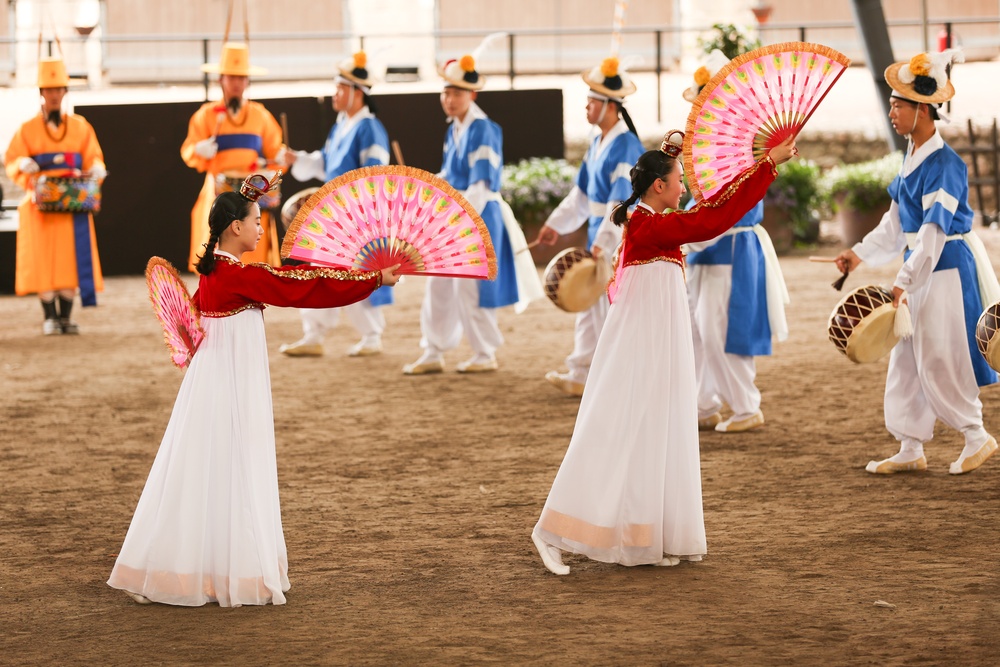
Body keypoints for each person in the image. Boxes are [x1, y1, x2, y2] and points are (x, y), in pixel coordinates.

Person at [107, 174, 400, 606]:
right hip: (229, 381)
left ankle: (194, 568)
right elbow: (298, 286)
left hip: (218, 378)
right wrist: (370, 279)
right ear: (234, 228)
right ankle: (225, 571)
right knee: (232, 461)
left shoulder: (220, 271)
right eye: (256, 219)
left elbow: (293, 279)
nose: (263, 227)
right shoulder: (235, 274)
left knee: (206, 466)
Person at [531, 131, 796, 575]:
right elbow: (708, 221)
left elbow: (710, 213)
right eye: (678, 181)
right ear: (659, 186)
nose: (684, 190)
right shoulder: (644, 224)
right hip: (641, 342)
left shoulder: (651, 222)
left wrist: (756, 166)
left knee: (658, 428)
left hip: (660, 340)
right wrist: (767, 165)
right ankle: (551, 531)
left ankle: (645, 539)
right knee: (615, 426)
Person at [834, 50, 999, 476]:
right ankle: (910, 444)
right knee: (906, 356)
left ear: (923, 110)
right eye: (891, 103)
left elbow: (932, 233)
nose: (891, 111)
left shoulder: (945, 165)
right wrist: (858, 254)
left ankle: (976, 434)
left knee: (940, 355)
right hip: (922, 267)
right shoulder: (913, 157)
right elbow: (896, 224)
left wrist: (903, 281)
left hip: (943, 268)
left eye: (898, 105)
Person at [681, 50, 790, 433]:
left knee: (720, 328)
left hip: (729, 247)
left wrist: (683, 237)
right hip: (704, 246)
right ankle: (703, 403)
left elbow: (727, 208)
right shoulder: (712, 146)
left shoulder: (739, 146)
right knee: (698, 329)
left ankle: (745, 406)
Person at [402, 46, 520, 375]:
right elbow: (450, 176)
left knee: (470, 287)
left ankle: (484, 352)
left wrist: (455, 217)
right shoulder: (454, 128)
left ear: (472, 94)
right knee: (438, 284)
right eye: (446, 92)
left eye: (456, 93)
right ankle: (434, 349)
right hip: (454, 217)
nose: (449, 99)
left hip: (475, 217)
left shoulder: (483, 129)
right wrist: (425, 183)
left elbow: (481, 186)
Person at [534, 56, 644, 396]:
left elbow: (620, 201)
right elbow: (581, 194)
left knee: (606, 307)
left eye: (591, 102)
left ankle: (611, 376)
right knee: (589, 304)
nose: (586, 107)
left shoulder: (626, 145)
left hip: (616, 236)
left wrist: (606, 241)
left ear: (610, 107)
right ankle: (582, 372)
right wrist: (556, 225)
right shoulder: (597, 143)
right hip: (601, 234)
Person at [279, 51, 394, 358]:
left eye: (340, 88)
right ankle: (314, 333)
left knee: (356, 273)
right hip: (333, 213)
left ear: (358, 93)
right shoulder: (342, 123)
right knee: (318, 271)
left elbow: (375, 175)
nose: (335, 93)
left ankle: (371, 334)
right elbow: (326, 164)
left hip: (357, 215)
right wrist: (298, 159)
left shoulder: (370, 127)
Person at [4, 55, 106, 335]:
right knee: (43, 259)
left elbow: (93, 157)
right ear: (41, 93)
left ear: (64, 92)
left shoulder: (80, 126)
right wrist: (22, 165)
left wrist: (97, 168)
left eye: (58, 89)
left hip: (72, 203)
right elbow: (12, 160)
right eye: (48, 90)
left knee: (70, 259)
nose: (53, 95)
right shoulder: (27, 129)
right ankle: (49, 316)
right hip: (41, 204)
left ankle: (66, 316)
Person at [180, 41, 286, 271]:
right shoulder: (206, 115)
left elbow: (277, 155)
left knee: (254, 260)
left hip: (251, 196)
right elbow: (188, 151)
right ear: (221, 79)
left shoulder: (261, 115)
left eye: (241, 78)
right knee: (217, 256)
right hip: (219, 193)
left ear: (247, 81)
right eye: (231, 77)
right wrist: (199, 149)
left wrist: (277, 160)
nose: (236, 83)